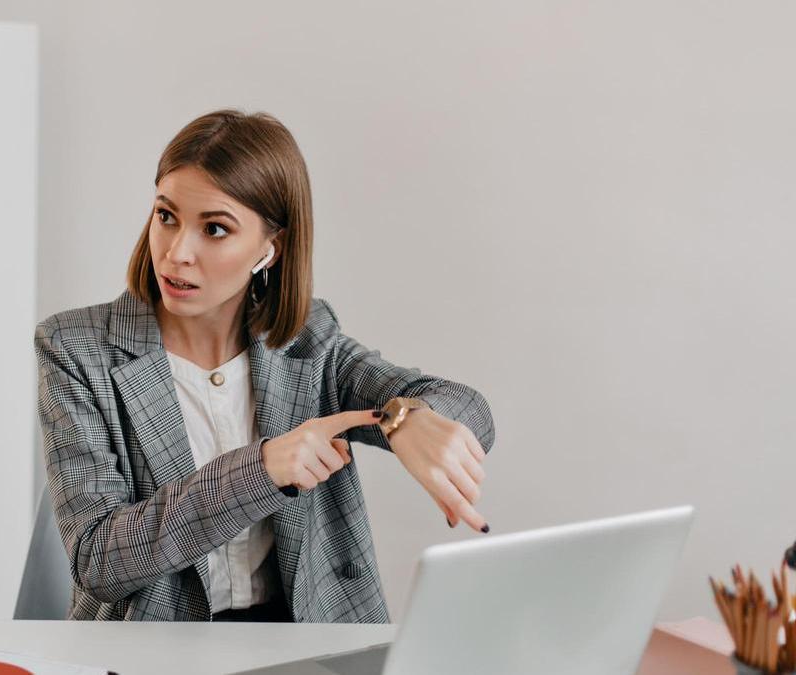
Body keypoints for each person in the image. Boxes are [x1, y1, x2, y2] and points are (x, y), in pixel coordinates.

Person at [34, 109, 496, 622]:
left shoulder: (308, 341)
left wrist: (407, 419)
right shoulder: (76, 349)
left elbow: (465, 407)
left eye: (214, 228)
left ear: (269, 250)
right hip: (153, 646)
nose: (176, 253)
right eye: (166, 217)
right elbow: (99, 560)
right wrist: (262, 469)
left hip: (304, 641)